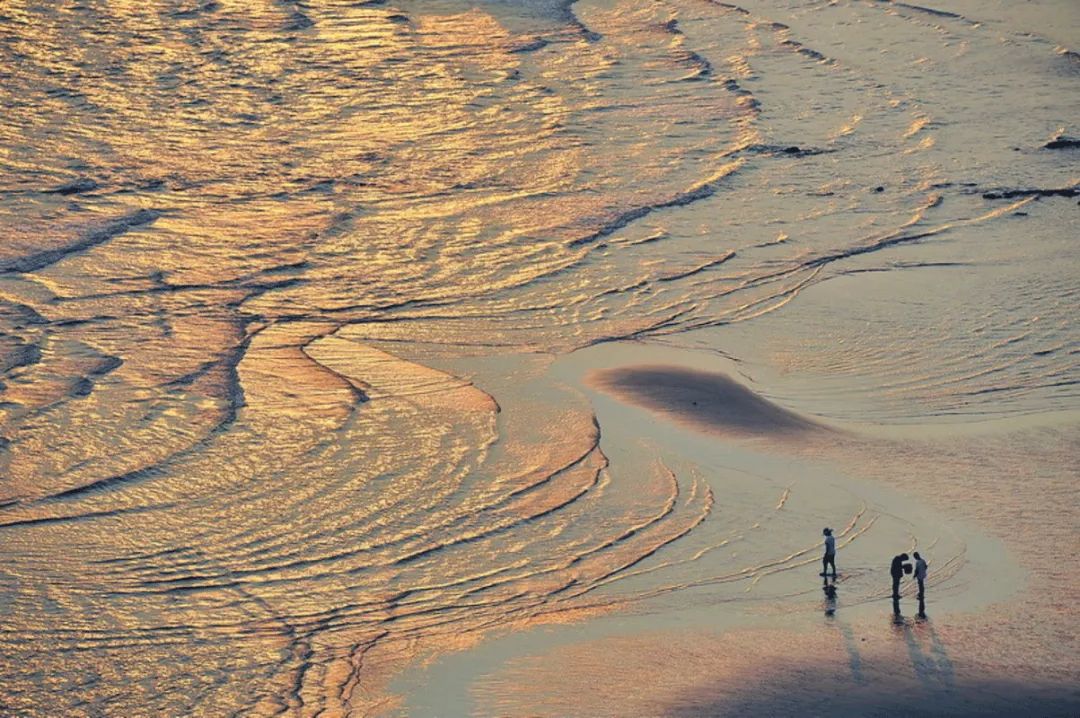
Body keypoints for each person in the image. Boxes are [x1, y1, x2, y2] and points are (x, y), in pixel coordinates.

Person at [913, 552, 928, 617]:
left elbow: (916, 570)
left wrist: (914, 575)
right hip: (923, 574)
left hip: (919, 575)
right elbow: (926, 566)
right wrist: (923, 570)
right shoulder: (923, 560)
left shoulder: (918, 562)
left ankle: (921, 594)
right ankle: (921, 593)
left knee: (920, 584)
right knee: (921, 584)